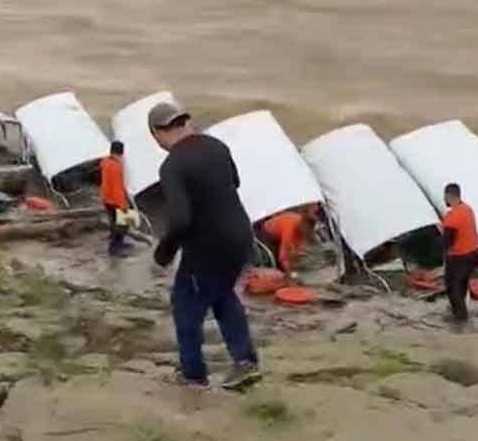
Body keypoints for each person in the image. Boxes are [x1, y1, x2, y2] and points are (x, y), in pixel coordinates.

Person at [149, 101, 260, 390]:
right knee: (223, 296)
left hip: (208, 248)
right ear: (186, 122)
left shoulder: (172, 165)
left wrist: (164, 253)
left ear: (157, 133)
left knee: (185, 306)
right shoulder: (217, 146)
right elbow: (234, 182)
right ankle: (246, 362)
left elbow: (181, 220)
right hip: (240, 237)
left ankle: (193, 374)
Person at [441, 183, 478, 323]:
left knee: (452, 287)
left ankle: (460, 319)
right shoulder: (467, 209)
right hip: (476, 252)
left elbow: (448, 243)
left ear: (448, 196)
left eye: (445, 196)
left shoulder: (452, 216)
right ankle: (461, 310)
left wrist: (444, 258)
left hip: (462, 255)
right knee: (462, 282)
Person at [260, 208, 317, 275]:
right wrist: (292, 273)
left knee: (296, 254)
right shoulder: (290, 228)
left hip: (284, 230)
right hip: (267, 234)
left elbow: (302, 250)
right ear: (303, 225)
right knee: (277, 261)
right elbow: (283, 257)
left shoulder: (306, 229)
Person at [99, 140, 130, 256]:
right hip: (115, 200)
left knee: (113, 222)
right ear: (120, 152)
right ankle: (115, 247)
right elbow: (117, 187)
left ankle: (118, 244)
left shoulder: (105, 162)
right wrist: (123, 204)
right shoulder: (116, 166)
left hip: (106, 198)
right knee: (125, 222)